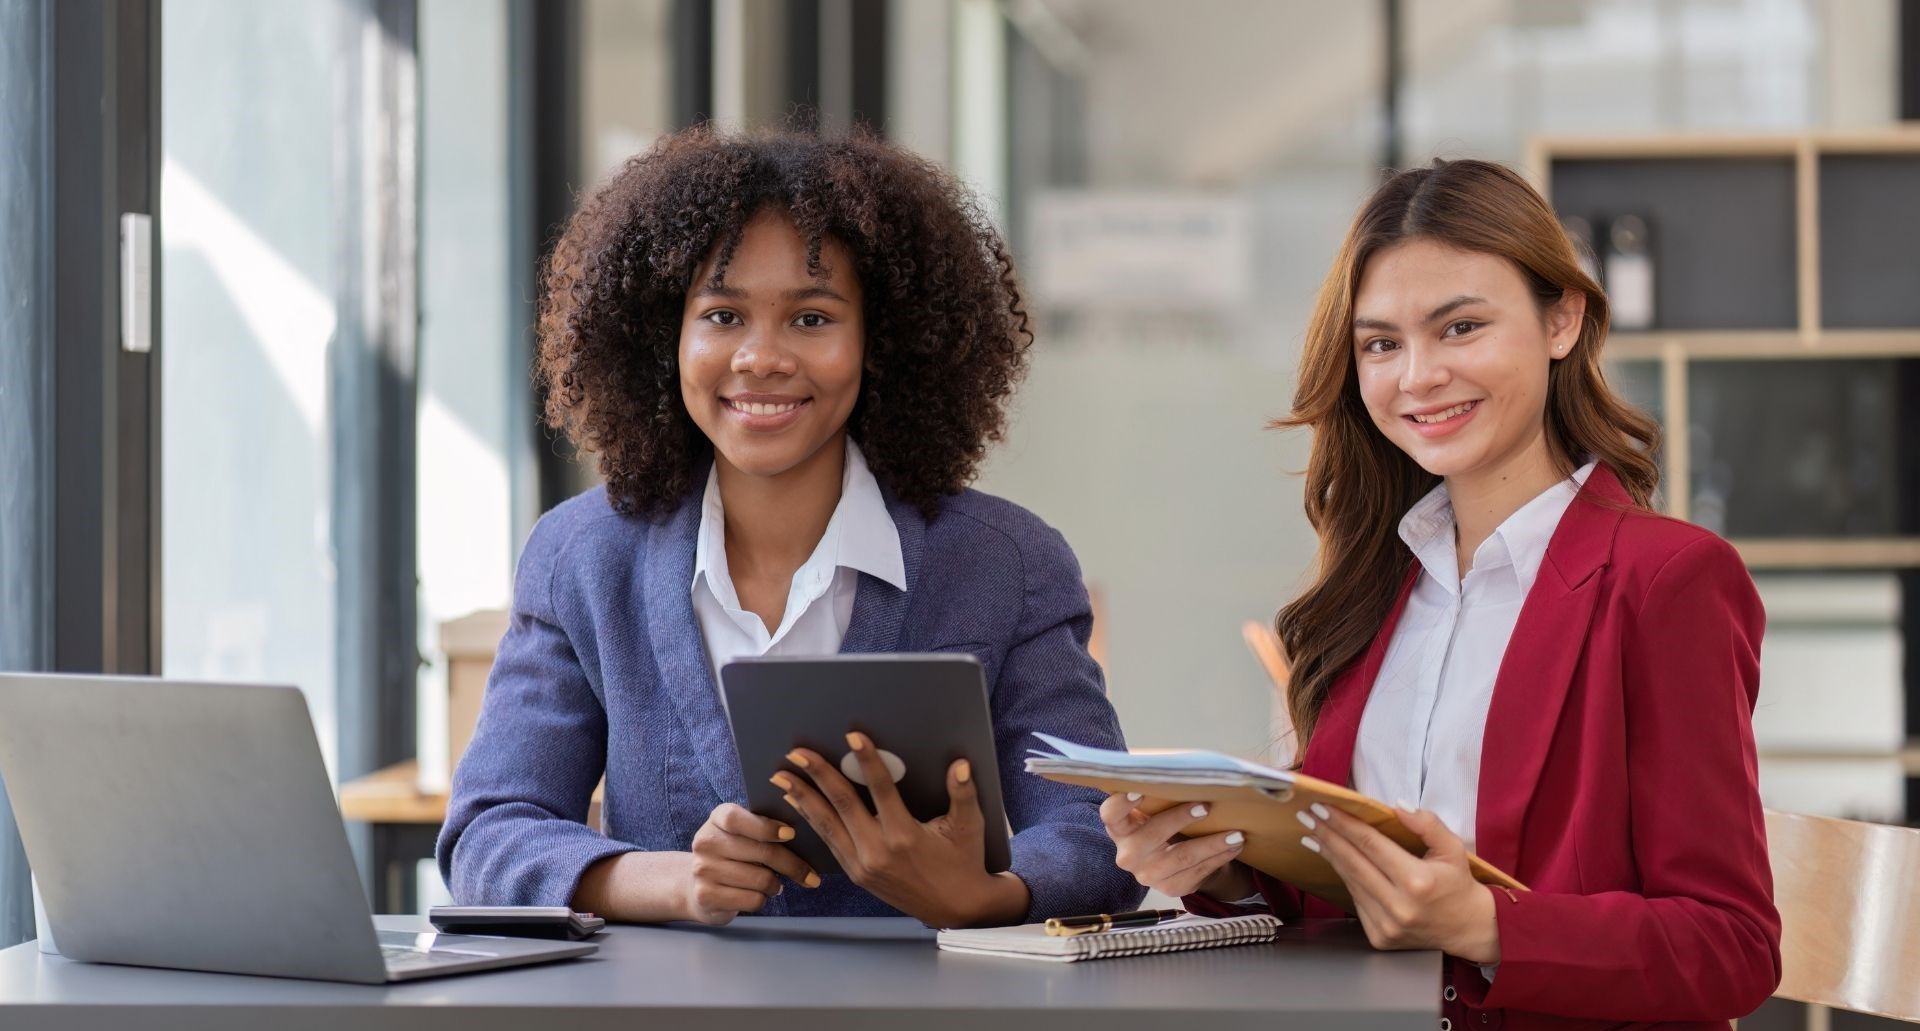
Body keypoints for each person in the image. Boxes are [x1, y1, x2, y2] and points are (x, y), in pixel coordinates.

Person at [1102, 159, 1779, 1027]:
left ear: (1562, 319)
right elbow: (1342, 888)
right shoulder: (1371, 588)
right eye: (1381, 343)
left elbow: (1732, 946)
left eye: (1459, 327)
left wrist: (1489, 925)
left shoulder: (1667, 581)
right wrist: (1221, 861)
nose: (1416, 376)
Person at [439, 127, 1142, 929]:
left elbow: (1099, 832)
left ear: (882, 341)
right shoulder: (582, 557)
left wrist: (987, 893)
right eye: (723, 314)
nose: (760, 357)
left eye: (811, 318)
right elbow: (488, 834)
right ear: (664, 336)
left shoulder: (1003, 563)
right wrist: (668, 882)